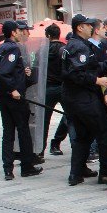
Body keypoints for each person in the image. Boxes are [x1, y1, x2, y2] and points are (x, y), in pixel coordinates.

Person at [61, 13, 107, 186]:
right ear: (80, 27)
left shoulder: (76, 45)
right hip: (83, 98)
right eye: (88, 25)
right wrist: (97, 80)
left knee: (83, 136)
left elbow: (90, 66)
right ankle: (106, 173)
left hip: (74, 99)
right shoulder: (79, 47)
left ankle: (76, 173)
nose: (92, 28)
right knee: (105, 133)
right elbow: (76, 73)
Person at [0, 20, 42, 181]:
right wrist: (13, 89)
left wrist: (23, 73)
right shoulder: (13, 48)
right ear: (13, 32)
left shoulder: (0, 48)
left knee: (8, 132)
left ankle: (8, 168)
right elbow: (4, 72)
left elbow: (7, 70)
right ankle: (27, 166)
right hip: (13, 97)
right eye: (18, 30)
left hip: (3, 96)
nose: (21, 32)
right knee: (23, 131)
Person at [43, 23, 71, 157]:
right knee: (70, 116)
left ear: (47, 35)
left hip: (47, 88)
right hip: (63, 87)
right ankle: (58, 142)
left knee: (44, 120)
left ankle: (40, 150)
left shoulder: (42, 51)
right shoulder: (64, 50)